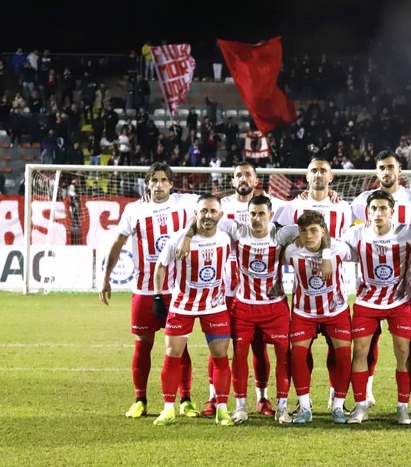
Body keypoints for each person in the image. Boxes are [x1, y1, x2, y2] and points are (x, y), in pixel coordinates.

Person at [98, 162, 198, 419]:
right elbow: (118, 242)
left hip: (176, 291)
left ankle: (186, 399)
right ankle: (140, 399)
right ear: (147, 184)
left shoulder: (185, 203)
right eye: (154, 180)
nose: (159, 185)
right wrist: (105, 277)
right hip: (143, 290)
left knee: (180, 347)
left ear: (171, 184)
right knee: (143, 345)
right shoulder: (134, 210)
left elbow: (213, 202)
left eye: (164, 180)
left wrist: (241, 193)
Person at [199, 164, 286, 418]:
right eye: (238, 174)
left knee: (260, 349)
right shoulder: (220, 206)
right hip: (223, 290)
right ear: (232, 179)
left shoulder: (274, 205)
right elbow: (199, 218)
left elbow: (302, 219)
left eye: (248, 174)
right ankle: (216, 396)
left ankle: (263, 398)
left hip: (261, 294)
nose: (243, 178)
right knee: (220, 347)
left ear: (256, 180)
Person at [349, 149, 411, 410]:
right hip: (372, 287)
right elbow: (344, 223)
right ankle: (367, 391)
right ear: (377, 172)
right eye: (382, 168)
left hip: (408, 283)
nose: (386, 172)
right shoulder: (363, 199)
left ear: (399, 170)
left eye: (391, 167)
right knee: (367, 341)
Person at [275, 156, 353, 409]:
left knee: (337, 348)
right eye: (313, 171)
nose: (318, 175)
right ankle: (302, 402)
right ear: (306, 177)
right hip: (304, 296)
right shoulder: (290, 208)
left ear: (331, 177)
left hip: (334, 293)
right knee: (300, 350)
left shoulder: (343, 208)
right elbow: (277, 241)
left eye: (323, 171)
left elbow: (344, 240)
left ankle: (335, 394)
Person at [217, 195, 301, 424]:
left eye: (261, 213)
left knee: (284, 357)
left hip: (275, 309)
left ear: (270, 216)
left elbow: (316, 227)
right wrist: (186, 236)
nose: (256, 218)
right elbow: (207, 213)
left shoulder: (281, 233)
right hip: (243, 307)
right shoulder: (238, 230)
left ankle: (282, 407)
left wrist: (323, 254)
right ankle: (241, 406)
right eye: (252, 214)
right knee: (240, 356)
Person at [151, 194, 233, 426]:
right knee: (172, 355)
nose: (208, 215)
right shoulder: (178, 238)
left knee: (220, 357)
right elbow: (160, 266)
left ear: (221, 215)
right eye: (203, 211)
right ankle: (168, 408)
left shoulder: (226, 239)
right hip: (183, 305)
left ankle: (222, 409)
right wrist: (158, 298)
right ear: (195, 214)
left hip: (214, 305)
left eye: (212, 211)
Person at [285, 210, 352, 425]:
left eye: (314, 230)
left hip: (336, 311)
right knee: (297, 356)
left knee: (343, 356)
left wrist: (325, 255)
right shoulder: (291, 251)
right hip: (304, 312)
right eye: (304, 231)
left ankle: (339, 407)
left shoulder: (339, 248)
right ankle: (304, 407)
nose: (309, 236)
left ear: (323, 231)